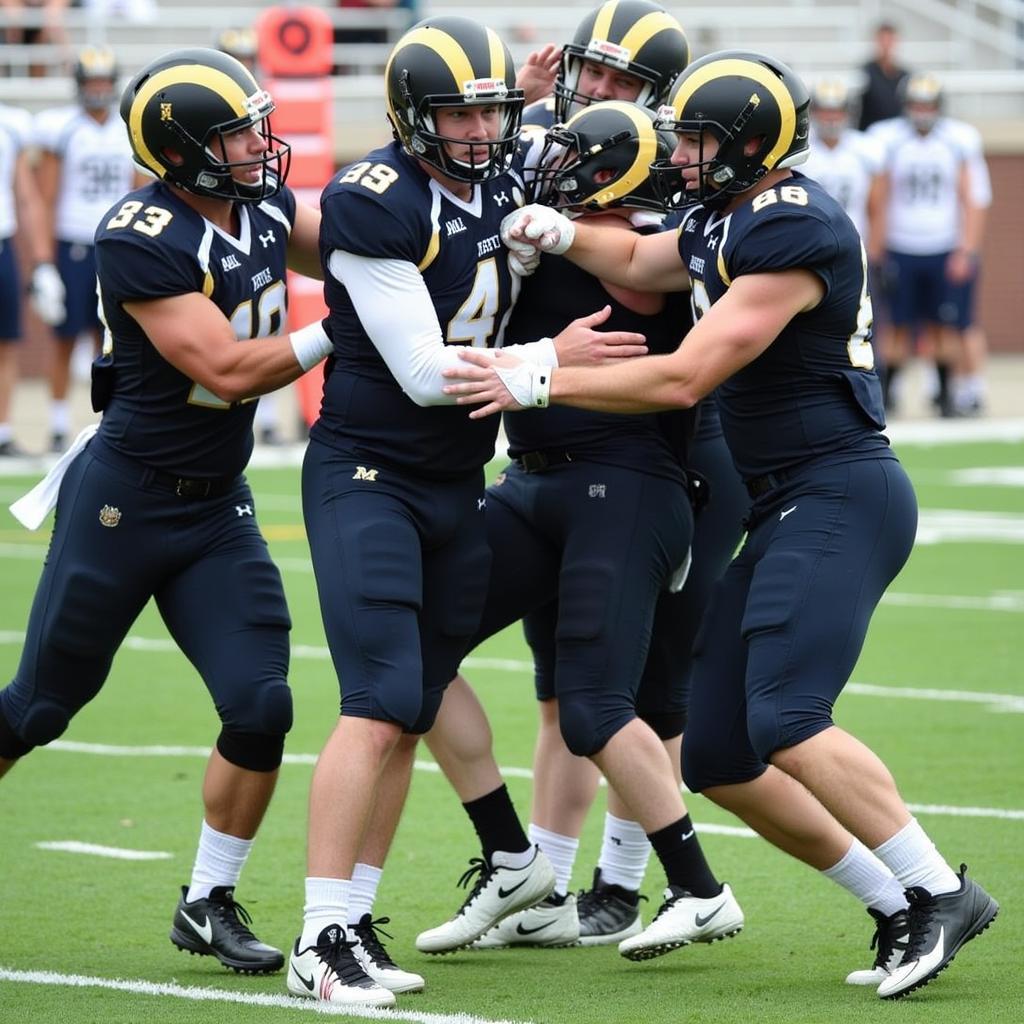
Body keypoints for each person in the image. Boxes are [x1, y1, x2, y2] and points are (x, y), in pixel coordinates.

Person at [446, 50, 999, 998]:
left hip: (839, 488)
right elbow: (637, 256)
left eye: (701, 140)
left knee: (785, 717)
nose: (684, 157)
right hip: (788, 495)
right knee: (718, 753)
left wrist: (538, 374)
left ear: (752, 144)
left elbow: (685, 374)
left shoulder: (793, 226)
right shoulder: (728, 214)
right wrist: (562, 229)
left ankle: (941, 888)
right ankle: (895, 901)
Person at [289, 15, 647, 1007]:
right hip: (371, 472)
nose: (483, 133)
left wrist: (525, 101)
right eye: (461, 115)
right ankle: (318, 937)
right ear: (412, 122)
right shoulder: (377, 200)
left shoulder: (495, 170)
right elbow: (418, 372)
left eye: (493, 113)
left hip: (453, 482)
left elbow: (544, 147)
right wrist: (551, 361)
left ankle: (352, 921)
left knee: (408, 706)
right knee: (374, 704)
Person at [1, 46, 332, 978]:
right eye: (232, 133)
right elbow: (226, 367)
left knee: (262, 705)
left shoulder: (260, 203)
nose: (255, 146)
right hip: (127, 501)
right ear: (183, 149)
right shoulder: (139, 233)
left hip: (215, 506)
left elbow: (351, 238)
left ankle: (207, 899)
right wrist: (344, 327)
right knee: (39, 708)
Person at [424, 99, 747, 957]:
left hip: (627, 485)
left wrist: (553, 259)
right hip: (532, 484)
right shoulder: (559, 224)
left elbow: (639, 270)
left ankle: (698, 889)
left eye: (572, 159)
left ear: (613, 172)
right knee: (407, 655)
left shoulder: (653, 241)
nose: (550, 168)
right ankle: (515, 860)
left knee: (598, 706)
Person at [33, 45, 141, 452]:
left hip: (114, 243)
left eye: (102, 81)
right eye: (90, 81)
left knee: (112, 342)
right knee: (64, 338)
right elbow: (45, 197)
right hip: (72, 243)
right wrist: (43, 263)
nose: (97, 89)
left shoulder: (124, 129)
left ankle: (108, 421)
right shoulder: (62, 128)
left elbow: (138, 191)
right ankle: (59, 425)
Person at [868, 73, 991, 416]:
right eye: (916, 104)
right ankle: (888, 395)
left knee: (946, 326)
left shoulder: (958, 140)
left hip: (943, 245)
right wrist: (877, 250)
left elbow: (974, 198)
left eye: (928, 104)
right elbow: (877, 198)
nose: (922, 111)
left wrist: (966, 249)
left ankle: (947, 395)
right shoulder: (887, 139)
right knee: (896, 326)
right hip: (900, 246)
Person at [802, 79, 887, 377]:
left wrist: (874, 253)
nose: (831, 118)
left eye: (836, 111)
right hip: (810, 252)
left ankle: (875, 381)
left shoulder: (865, 150)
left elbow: (877, 208)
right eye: (825, 111)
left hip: (855, 250)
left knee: (864, 323)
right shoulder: (802, 152)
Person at [0, 99, 65, 456]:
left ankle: (3, 430)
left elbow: (27, 198)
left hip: (2, 241)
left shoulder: (11, 123)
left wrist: (42, 261)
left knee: (6, 342)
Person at [857, 22, 909, 132]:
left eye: (889, 40)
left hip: (897, 134)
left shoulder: (905, 75)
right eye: (882, 40)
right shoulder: (865, 73)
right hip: (871, 133)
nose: (886, 44)